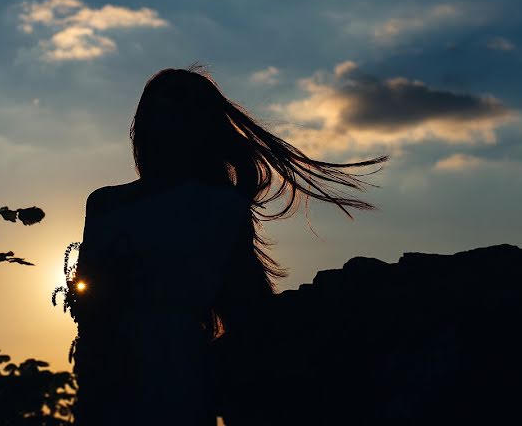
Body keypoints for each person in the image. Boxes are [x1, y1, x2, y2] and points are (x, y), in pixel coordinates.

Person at [69, 65, 386, 425]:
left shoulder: (219, 205)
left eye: (182, 108)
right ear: (144, 123)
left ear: (201, 125)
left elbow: (244, 302)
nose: (170, 118)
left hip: (176, 366)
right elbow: (88, 301)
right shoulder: (105, 203)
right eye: (161, 107)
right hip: (108, 365)